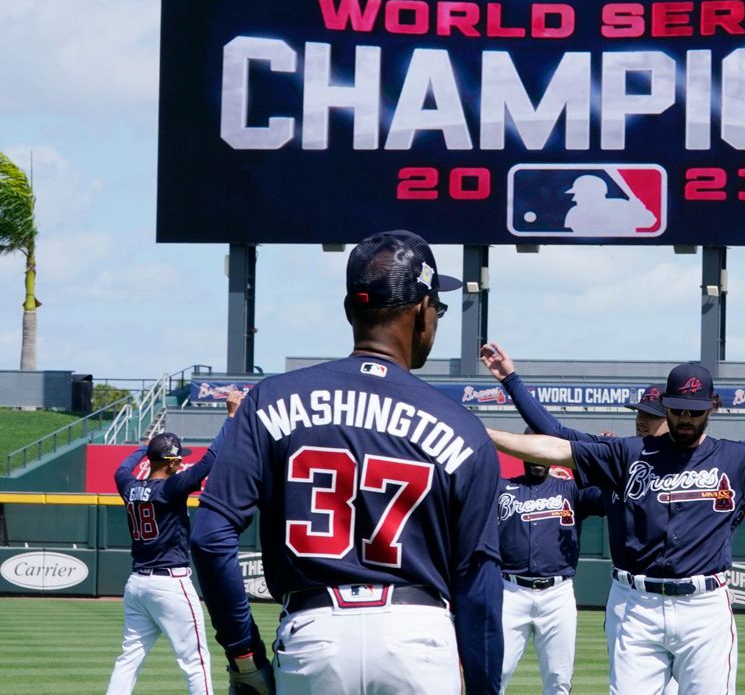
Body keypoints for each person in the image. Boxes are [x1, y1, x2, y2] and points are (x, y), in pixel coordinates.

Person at [190, 230, 503, 695]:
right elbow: (478, 581)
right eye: (437, 307)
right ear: (421, 311)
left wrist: (244, 656)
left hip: (313, 636)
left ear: (348, 310)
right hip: (418, 637)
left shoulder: (270, 400)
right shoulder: (462, 427)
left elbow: (210, 536)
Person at [479, 341, 745, 687]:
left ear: (711, 407)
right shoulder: (629, 454)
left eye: (695, 410)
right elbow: (554, 444)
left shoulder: (735, 459)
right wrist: (479, 430)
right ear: (667, 405)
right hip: (635, 604)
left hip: (704, 608)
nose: (686, 418)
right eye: (678, 409)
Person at [106, 394, 237, 695]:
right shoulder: (171, 488)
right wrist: (229, 419)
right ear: (170, 461)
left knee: (128, 660)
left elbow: (121, 470)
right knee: (196, 661)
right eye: (177, 458)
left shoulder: (129, 486)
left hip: (137, 585)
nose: (181, 462)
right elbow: (210, 461)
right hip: (170, 585)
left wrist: (144, 448)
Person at [497, 452, 607, 694]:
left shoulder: (569, 489)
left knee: (559, 676)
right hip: (511, 591)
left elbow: (604, 498)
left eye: (543, 452)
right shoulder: (504, 488)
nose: (538, 459)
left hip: (557, 593)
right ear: (521, 455)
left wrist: (594, 462)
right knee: (497, 671)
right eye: (531, 453)